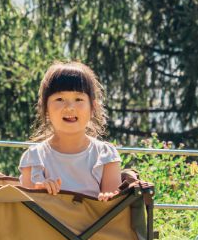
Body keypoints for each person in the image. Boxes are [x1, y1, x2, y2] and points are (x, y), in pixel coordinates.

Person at [19, 62, 122, 201]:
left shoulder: (105, 155)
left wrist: (108, 198)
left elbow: (115, 207)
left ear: (93, 107)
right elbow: (26, 210)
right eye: (59, 99)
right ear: (45, 107)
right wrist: (39, 191)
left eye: (78, 99)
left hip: (95, 222)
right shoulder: (34, 157)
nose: (69, 107)